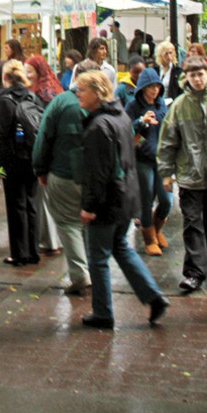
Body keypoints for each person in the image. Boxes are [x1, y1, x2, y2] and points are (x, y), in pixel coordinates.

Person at [77, 70, 169, 329]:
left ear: (96, 92)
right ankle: (153, 295)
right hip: (126, 197)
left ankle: (103, 312)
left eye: (82, 90)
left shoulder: (98, 126)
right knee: (121, 248)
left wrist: (89, 207)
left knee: (98, 257)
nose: (77, 94)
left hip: (108, 202)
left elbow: (98, 173)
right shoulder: (119, 117)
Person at [157, 56, 207, 292]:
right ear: (186, 78)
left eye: (201, 74)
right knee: (192, 223)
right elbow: (168, 141)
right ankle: (194, 272)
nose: (197, 79)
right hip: (190, 174)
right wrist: (166, 174)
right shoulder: (179, 106)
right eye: (193, 75)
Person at [32, 85, 91, 296]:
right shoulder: (108, 102)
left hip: (64, 173)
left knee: (69, 224)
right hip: (96, 177)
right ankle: (94, 271)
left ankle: (80, 273)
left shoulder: (61, 102)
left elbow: (44, 136)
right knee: (89, 224)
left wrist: (40, 168)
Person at [0, 59, 40, 266]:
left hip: (12, 158)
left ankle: (19, 253)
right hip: (32, 156)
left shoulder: (4, 100)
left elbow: (2, 134)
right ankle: (33, 251)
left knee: (15, 205)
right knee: (31, 203)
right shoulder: (33, 97)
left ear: (5, 77)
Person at [126, 68, 172, 256]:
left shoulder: (162, 105)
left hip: (161, 159)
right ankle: (148, 237)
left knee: (166, 200)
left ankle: (156, 228)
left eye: (156, 87)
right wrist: (141, 122)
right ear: (143, 88)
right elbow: (125, 128)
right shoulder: (133, 105)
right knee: (146, 198)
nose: (154, 90)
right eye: (150, 87)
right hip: (143, 159)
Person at [24, 54, 63, 252]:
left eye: (29, 71)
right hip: (55, 152)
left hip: (48, 151)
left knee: (45, 199)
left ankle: (50, 241)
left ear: (39, 72)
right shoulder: (53, 91)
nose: (26, 75)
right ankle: (55, 239)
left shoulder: (41, 95)